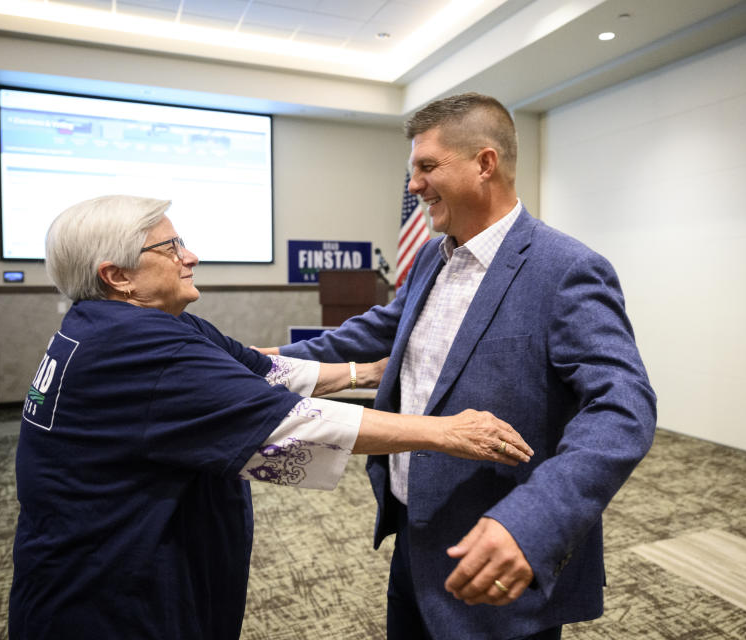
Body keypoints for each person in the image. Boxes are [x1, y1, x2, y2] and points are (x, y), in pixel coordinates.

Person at [8, 194, 533, 640]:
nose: (190, 256)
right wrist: (446, 433)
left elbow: (263, 371)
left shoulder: (130, 323)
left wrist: (366, 373)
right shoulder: (136, 343)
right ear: (117, 275)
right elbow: (292, 423)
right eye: (169, 248)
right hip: (110, 594)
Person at [266, 93, 657, 639]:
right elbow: (381, 328)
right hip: (414, 535)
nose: (413, 186)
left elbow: (623, 408)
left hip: (499, 552)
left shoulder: (567, 268)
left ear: (485, 164)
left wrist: (533, 522)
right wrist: (274, 360)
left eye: (427, 167)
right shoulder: (434, 253)